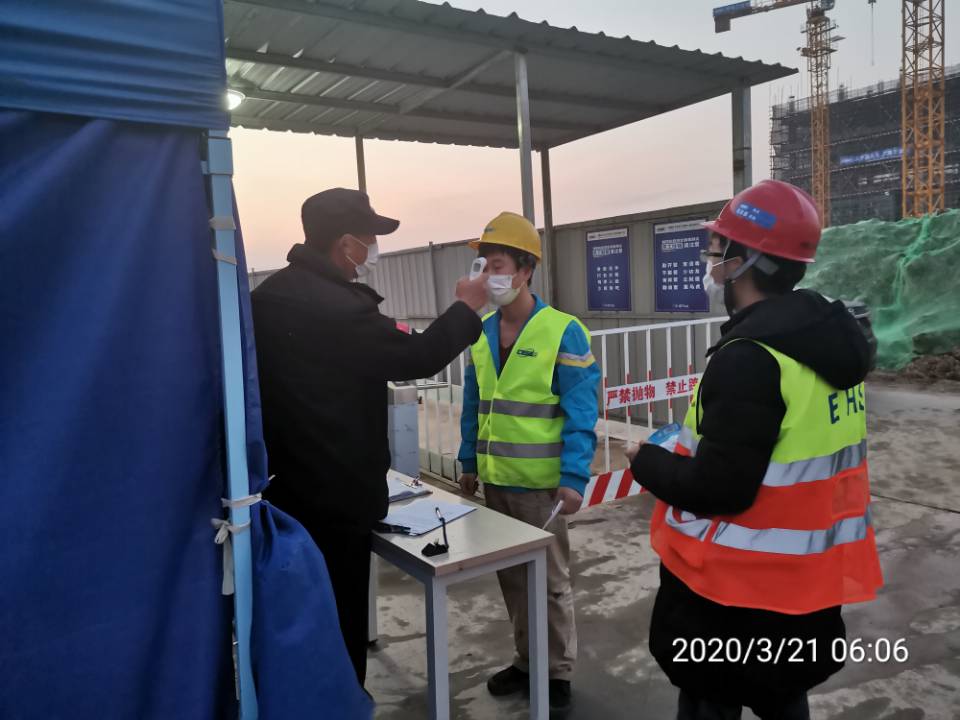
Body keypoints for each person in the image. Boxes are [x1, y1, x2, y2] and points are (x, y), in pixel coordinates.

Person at [627, 180, 883, 720]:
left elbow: (720, 487)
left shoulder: (750, 357)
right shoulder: (825, 344)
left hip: (732, 598)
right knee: (784, 699)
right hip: (802, 590)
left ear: (746, 260)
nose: (712, 262)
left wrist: (645, 461)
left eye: (719, 249)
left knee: (710, 703)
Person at [251, 188, 489, 685]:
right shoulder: (338, 309)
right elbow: (417, 356)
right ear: (345, 244)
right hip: (335, 498)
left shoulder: (267, 298)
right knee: (340, 620)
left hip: (282, 489)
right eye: (369, 238)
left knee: (297, 617)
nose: (373, 249)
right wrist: (466, 308)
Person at [457, 211, 600, 715]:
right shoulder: (480, 332)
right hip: (496, 480)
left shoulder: (563, 331)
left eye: (496, 265)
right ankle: (526, 661)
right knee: (514, 581)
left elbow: (582, 410)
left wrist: (574, 476)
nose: (486, 275)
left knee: (550, 583)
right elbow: (474, 403)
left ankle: (556, 671)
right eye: (482, 265)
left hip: (543, 489)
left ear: (524, 270)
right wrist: (468, 459)